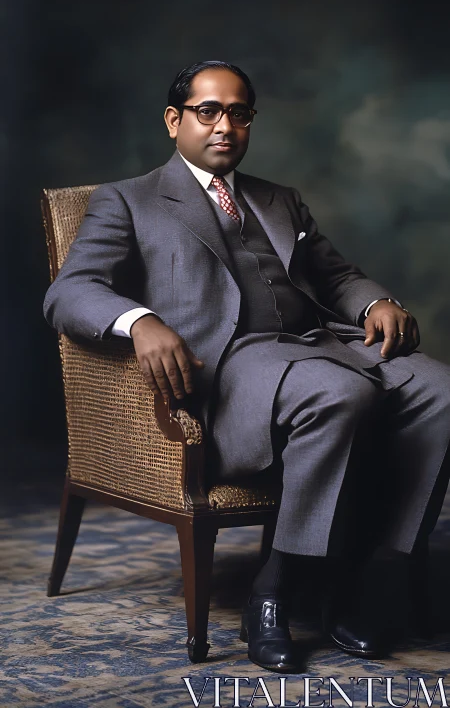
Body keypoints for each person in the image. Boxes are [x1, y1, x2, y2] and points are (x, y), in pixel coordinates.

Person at [43, 60, 450, 673]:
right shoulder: (127, 200)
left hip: (323, 340)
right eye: (208, 111)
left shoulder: (279, 199)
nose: (224, 125)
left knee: (440, 388)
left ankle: (370, 578)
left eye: (238, 112)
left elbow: (336, 276)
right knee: (339, 394)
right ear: (175, 121)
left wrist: (375, 300)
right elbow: (69, 293)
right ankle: (276, 591)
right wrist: (141, 322)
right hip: (235, 368)